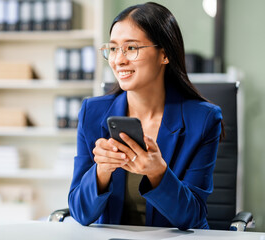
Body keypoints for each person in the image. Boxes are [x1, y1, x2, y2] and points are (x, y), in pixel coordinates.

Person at [68, 2, 224, 231]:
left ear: (165, 54)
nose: (119, 60)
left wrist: (157, 172)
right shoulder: (92, 113)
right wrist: (101, 171)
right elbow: (80, 213)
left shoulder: (203, 120)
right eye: (112, 48)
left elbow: (193, 218)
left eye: (131, 48)